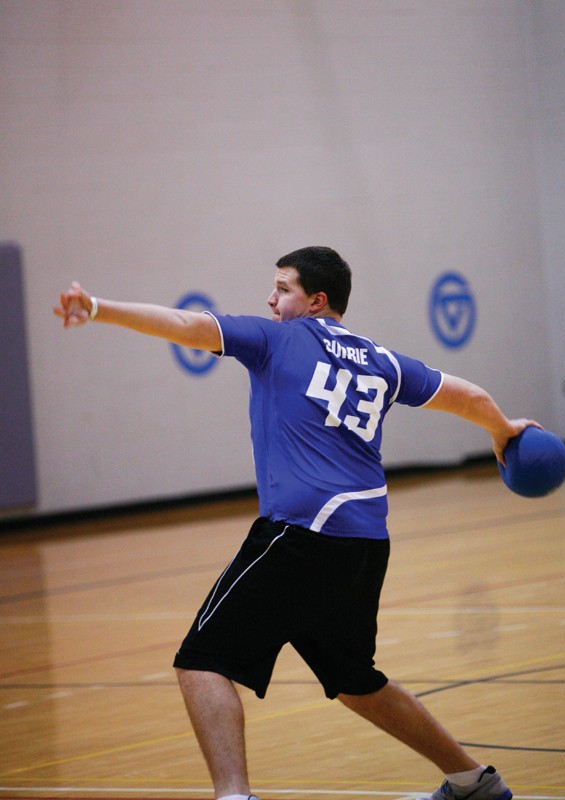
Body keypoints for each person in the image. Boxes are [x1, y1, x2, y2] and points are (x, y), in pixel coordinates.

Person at [55, 246, 536, 800]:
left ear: (316, 301)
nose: (270, 298)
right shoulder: (383, 360)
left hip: (301, 533)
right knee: (356, 682)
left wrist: (97, 308)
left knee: (201, 663)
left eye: (282, 288)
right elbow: (469, 397)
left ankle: (235, 796)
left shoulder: (276, 338)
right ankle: (473, 781)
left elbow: (188, 326)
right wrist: (503, 431)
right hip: (364, 543)